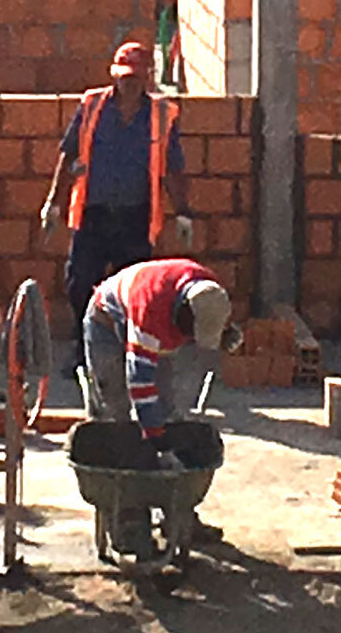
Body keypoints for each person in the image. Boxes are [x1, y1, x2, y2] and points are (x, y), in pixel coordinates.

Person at [41, 39, 189, 364]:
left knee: (132, 292)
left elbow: (174, 168)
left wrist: (183, 213)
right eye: (124, 77)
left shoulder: (162, 115)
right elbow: (68, 156)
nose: (129, 84)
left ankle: (125, 355)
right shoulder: (93, 105)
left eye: (135, 78)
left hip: (135, 218)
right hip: (94, 215)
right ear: (114, 76)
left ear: (147, 78)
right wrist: (54, 202)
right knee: (80, 284)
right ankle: (85, 350)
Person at [81, 258, 234, 433]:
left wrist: (223, 331)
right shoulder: (150, 310)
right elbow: (139, 379)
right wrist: (154, 433)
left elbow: (213, 313)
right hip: (105, 319)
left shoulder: (210, 291)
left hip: (155, 309)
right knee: (114, 407)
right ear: (184, 312)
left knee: (165, 405)